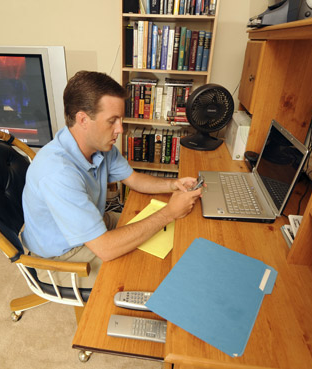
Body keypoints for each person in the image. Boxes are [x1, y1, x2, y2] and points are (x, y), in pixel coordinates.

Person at [21, 71, 202, 289]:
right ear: (83, 120)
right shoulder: (58, 173)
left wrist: (173, 184)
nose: (120, 129)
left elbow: (134, 179)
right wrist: (169, 212)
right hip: (61, 257)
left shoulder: (100, 146)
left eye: (121, 120)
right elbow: (105, 248)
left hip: (95, 227)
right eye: (112, 121)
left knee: (176, 236)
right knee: (152, 275)